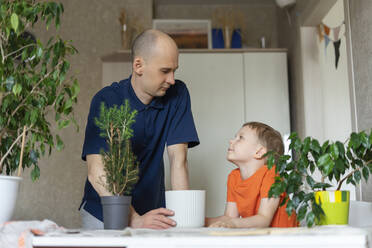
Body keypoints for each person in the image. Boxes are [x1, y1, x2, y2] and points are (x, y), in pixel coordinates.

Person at [79, 29, 199, 229]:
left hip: (153, 212)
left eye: (174, 71)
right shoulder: (107, 100)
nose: (171, 79)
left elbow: (179, 161)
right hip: (105, 212)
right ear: (138, 65)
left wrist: (185, 222)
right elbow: (96, 170)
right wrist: (133, 219)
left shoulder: (177, 94)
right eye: (165, 71)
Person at [206, 122, 297, 228]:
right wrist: (200, 221)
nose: (231, 141)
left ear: (259, 152)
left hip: (286, 238)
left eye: (240, 138)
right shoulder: (234, 177)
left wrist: (233, 224)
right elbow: (230, 217)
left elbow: (264, 219)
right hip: (262, 237)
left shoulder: (271, 175)